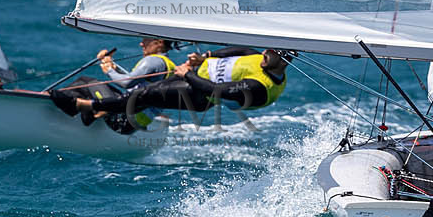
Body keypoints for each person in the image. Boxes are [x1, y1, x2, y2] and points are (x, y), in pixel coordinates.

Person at [55, 46, 290, 132]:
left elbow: (216, 90)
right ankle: (96, 110)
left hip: (200, 93)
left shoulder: (259, 87)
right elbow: (236, 50)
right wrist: (206, 56)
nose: (264, 54)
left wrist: (186, 73)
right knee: (146, 94)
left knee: (144, 94)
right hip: (193, 80)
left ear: (284, 61)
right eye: (266, 51)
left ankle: (85, 106)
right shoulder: (260, 55)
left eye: (270, 55)